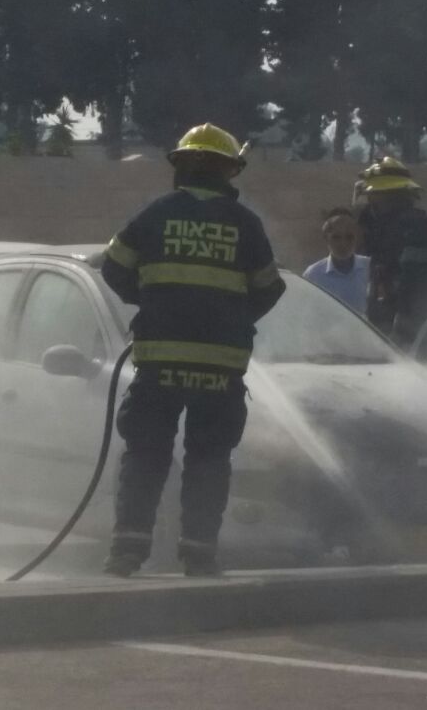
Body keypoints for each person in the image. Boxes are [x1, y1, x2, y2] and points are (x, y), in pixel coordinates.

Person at [100, 123, 286, 578]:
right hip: (219, 367)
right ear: (228, 171)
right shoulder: (245, 225)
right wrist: (233, 319)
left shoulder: (155, 214)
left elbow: (114, 268)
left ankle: (128, 552)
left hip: (159, 359)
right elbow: (269, 287)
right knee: (208, 457)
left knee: (146, 453)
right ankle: (198, 554)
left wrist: (153, 300)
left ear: (180, 166)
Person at [356, 158, 427, 345]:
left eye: (375, 194)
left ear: (391, 195)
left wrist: (402, 329)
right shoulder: (379, 227)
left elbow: (416, 283)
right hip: (380, 326)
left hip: (407, 332)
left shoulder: (414, 227)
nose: (370, 200)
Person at [303, 208, 370, 313]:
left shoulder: (369, 268)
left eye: (349, 237)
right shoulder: (314, 275)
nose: (343, 244)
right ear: (326, 238)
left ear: (357, 238)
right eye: (336, 237)